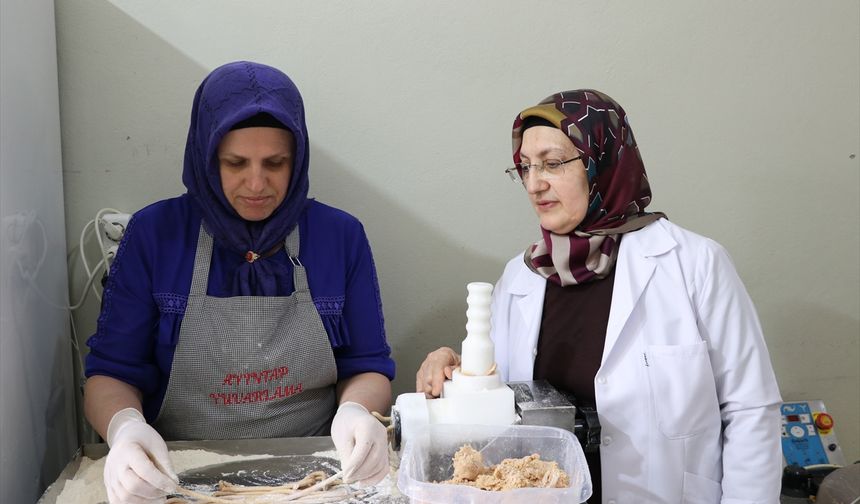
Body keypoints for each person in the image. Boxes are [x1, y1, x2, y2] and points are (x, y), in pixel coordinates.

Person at [417, 90, 782, 503]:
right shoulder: (522, 276)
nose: (535, 184)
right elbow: (500, 404)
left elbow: (750, 410)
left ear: (603, 162)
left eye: (553, 164)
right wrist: (456, 371)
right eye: (524, 167)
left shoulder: (694, 263)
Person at [84, 61, 394, 503]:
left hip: (315, 474)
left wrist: (356, 412)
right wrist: (125, 430)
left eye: (275, 163)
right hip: (175, 470)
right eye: (235, 163)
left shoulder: (340, 237)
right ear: (207, 159)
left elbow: (366, 364)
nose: (256, 183)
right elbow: (110, 373)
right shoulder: (156, 235)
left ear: (298, 158)